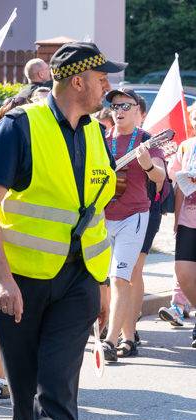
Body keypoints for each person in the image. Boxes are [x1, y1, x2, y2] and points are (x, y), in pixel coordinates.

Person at [0, 41, 124, 420]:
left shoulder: (99, 135)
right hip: (22, 283)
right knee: (24, 397)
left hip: (78, 282)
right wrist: (1, 277)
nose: (109, 86)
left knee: (56, 388)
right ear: (78, 80)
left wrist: (102, 286)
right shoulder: (20, 127)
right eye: (103, 77)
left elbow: (93, 215)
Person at [100, 89, 166, 362]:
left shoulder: (147, 140)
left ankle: (111, 341)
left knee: (120, 278)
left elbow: (161, 179)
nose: (120, 110)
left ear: (138, 110)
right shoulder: (102, 139)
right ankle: (114, 333)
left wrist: (148, 165)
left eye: (126, 105)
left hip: (134, 217)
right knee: (101, 280)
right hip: (102, 217)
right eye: (115, 105)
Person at [167, 106, 196, 348]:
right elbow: (179, 184)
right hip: (189, 219)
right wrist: (176, 218)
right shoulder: (186, 146)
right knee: (184, 273)